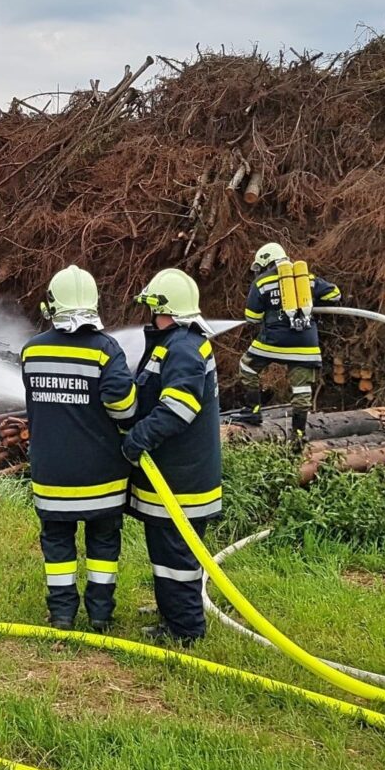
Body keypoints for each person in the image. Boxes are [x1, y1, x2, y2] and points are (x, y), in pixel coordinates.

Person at [21, 265, 138, 632]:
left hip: (51, 473)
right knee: (103, 547)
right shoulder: (106, 351)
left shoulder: (31, 352)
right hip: (101, 475)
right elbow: (124, 408)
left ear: (51, 306)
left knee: (57, 547)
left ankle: (62, 615)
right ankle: (100, 616)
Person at [121, 267, 221, 645]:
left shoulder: (182, 348)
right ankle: (172, 610)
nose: (151, 317)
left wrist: (138, 438)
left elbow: (178, 408)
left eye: (154, 309)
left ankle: (184, 631)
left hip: (182, 482)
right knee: (167, 555)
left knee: (175, 559)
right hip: (175, 476)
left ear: (170, 310)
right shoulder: (175, 342)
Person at [237, 241, 341, 450]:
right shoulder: (306, 279)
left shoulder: (262, 282)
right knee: (301, 389)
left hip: (273, 342)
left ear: (266, 262)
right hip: (305, 345)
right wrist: (310, 305)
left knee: (247, 367)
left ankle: (253, 410)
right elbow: (335, 295)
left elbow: (252, 317)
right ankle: (298, 436)